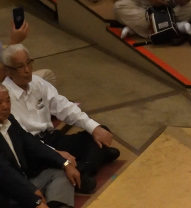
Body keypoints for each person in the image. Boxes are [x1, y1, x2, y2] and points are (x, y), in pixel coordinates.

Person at [2, 44, 119, 192]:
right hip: (33, 148)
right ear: (8, 71)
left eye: (29, 63)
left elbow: (63, 106)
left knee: (99, 131)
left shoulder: (37, 82)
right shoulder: (5, 97)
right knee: (48, 161)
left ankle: (83, 170)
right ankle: (90, 166)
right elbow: (24, 140)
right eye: (20, 66)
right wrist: (55, 154)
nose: (27, 70)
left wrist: (93, 127)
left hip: (52, 137)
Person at [0, 88, 82, 208]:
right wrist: (32, 194)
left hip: (26, 179)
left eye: (8, 101)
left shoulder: (10, 119)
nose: (5, 106)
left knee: (62, 171)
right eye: (0, 103)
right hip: (9, 192)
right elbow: (7, 173)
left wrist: (64, 163)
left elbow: (32, 144)